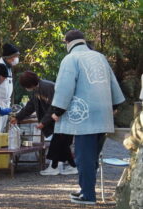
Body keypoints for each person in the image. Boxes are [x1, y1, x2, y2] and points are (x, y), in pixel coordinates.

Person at [51, 29, 125, 205]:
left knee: (83, 156)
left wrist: (57, 110)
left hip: (84, 117)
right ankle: (85, 189)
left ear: (67, 43)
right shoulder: (99, 57)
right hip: (104, 114)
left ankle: (88, 195)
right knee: (93, 157)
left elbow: (64, 87)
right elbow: (113, 83)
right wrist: (114, 106)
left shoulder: (70, 59)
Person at [10, 71, 77, 176]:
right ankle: (69, 166)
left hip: (63, 117)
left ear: (29, 84)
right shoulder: (38, 89)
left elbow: (53, 107)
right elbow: (30, 106)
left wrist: (43, 122)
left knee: (59, 143)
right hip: (57, 118)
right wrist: (18, 117)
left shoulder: (46, 87)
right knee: (61, 144)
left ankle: (57, 167)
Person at [0, 43, 20, 132]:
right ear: (8, 57)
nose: (16, 59)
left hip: (6, 103)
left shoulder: (9, 68)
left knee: (2, 130)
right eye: (15, 56)